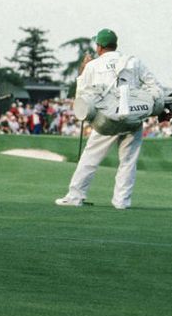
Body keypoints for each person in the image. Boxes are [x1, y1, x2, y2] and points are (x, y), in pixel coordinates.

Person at [56, 29, 162, 209]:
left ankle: (75, 197)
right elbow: (155, 88)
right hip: (132, 117)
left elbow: (82, 96)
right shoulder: (133, 61)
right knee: (128, 161)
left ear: (99, 46)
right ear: (115, 45)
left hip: (106, 121)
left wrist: (82, 71)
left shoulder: (92, 66)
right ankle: (122, 202)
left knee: (89, 159)